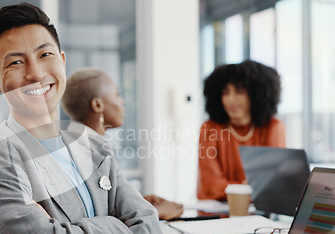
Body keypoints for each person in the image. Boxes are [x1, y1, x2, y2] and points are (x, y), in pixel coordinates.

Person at [0, 3, 165, 234]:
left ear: (62, 60)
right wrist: (119, 227)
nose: (36, 73)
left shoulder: (94, 148)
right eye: (16, 62)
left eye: (45, 55)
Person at [62, 68, 184, 220]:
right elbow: (94, 216)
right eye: (117, 94)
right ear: (97, 105)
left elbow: (100, 202)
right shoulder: (86, 150)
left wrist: (134, 201)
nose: (122, 101)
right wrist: (154, 212)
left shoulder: (77, 142)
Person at [197, 60, 286, 200]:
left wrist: (233, 188)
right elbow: (210, 186)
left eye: (240, 91)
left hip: (260, 214)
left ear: (257, 94)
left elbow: (272, 182)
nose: (230, 99)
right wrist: (245, 188)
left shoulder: (273, 127)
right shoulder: (210, 128)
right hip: (216, 215)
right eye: (225, 92)